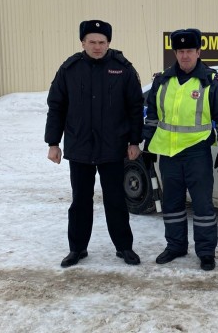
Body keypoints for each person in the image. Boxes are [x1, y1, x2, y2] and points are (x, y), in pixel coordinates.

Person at [45, 19, 144, 268]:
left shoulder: (123, 69)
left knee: (115, 200)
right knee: (80, 201)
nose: (97, 47)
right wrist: (53, 142)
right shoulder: (69, 69)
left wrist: (134, 141)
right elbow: (56, 107)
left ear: (109, 43)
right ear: (83, 43)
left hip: (113, 148)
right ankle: (77, 249)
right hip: (80, 149)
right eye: (92, 42)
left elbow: (134, 108)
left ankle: (124, 247)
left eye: (102, 42)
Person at [144, 28, 218, 271]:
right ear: (175, 52)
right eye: (180, 51)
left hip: (197, 152)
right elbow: (153, 115)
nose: (185, 56)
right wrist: (148, 143)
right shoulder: (162, 80)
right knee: (172, 204)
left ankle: (206, 252)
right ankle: (175, 246)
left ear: (198, 52)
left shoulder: (210, 80)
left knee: (202, 206)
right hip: (169, 154)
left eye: (189, 51)